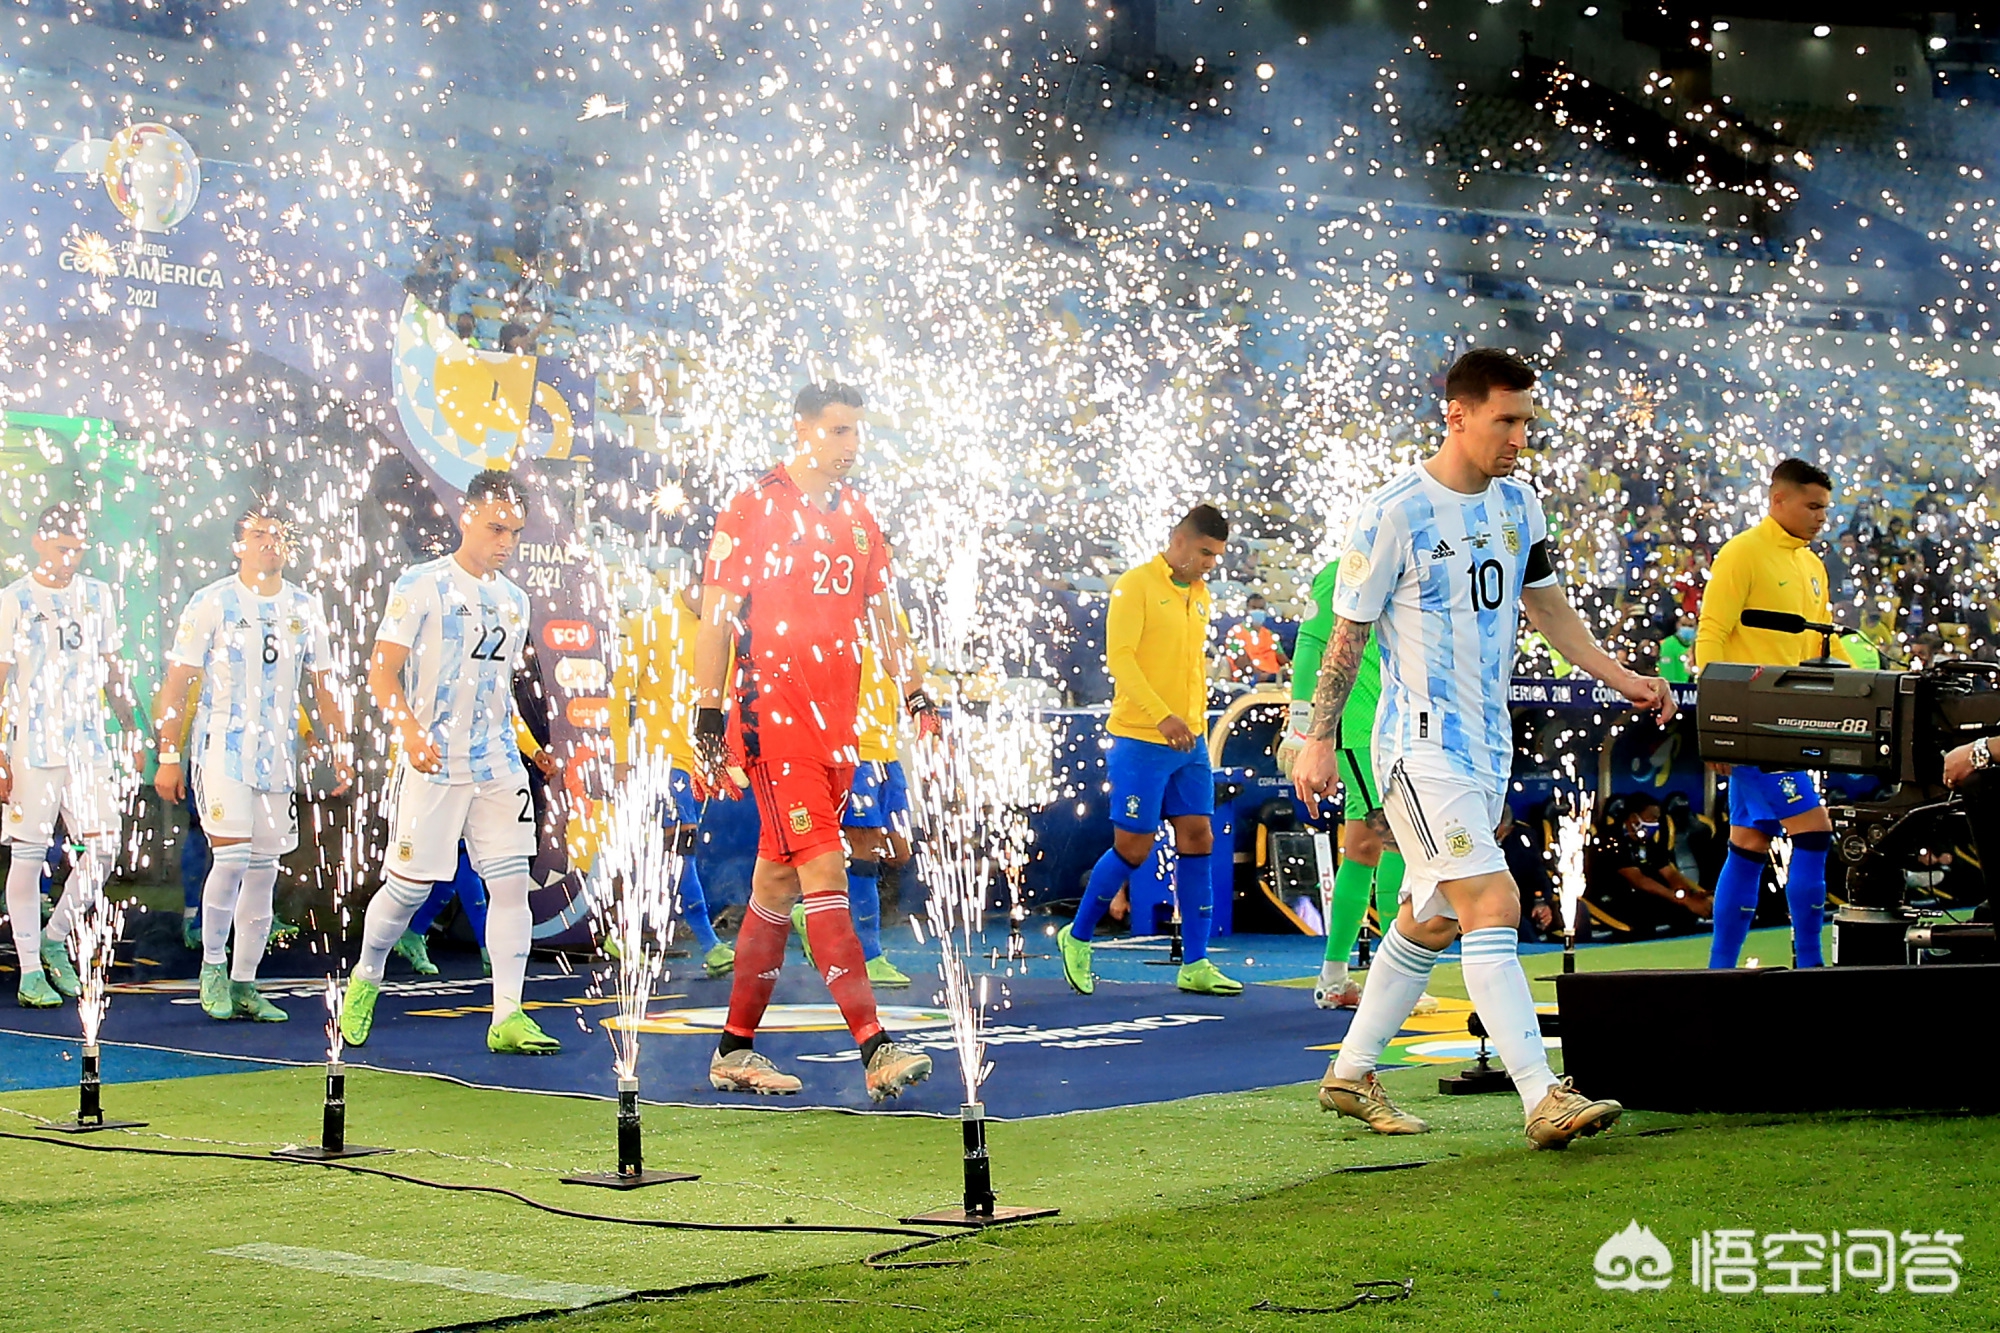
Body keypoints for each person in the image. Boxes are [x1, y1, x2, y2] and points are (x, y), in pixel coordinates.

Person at [1291, 347, 1676, 1150]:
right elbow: (1346, 638)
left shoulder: (1520, 506)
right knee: (1492, 904)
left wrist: (1621, 675)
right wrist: (1317, 739)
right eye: (1506, 420)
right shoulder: (1393, 513)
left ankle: (1352, 1070)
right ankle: (1543, 1096)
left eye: (1527, 422)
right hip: (1417, 747)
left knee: (1430, 919)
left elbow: (1547, 606)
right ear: (1456, 414)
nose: (1520, 439)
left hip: (1485, 747)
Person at [693, 380, 938, 1101]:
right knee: (824, 869)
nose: (850, 446)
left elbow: (886, 613)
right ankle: (876, 1046)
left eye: (856, 432)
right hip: (774, 725)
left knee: (774, 884)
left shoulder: (860, 517)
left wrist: (914, 686)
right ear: (800, 430)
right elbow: (717, 615)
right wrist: (709, 713)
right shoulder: (754, 506)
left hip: (837, 732)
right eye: (837, 431)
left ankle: (735, 1049)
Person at [338, 469, 564, 1055]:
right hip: (434, 761)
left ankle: (508, 1016)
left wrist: (535, 752)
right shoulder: (422, 585)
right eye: (496, 528)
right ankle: (365, 976)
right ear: (467, 517)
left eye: (514, 531)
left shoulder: (514, 600)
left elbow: (500, 693)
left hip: (497, 765)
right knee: (410, 887)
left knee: (512, 887)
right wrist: (409, 731)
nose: (506, 542)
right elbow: (381, 673)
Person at [151, 511, 352, 1023]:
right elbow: (176, 686)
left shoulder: (304, 607)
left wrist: (340, 744)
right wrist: (168, 755)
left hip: (277, 756)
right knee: (233, 859)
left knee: (264, 870)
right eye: (258, 536)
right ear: (237, 546)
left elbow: (324, 684)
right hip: (222, 749)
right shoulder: (212, 602)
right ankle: (212, 967)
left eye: (278, 535)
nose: (270, 544)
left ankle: (246, 980)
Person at [1058, 504, 1242, 998]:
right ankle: (1076, 937)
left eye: (1217, 556)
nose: (1209, 564)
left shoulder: (1200, 595)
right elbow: (1120, 658)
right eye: (1205, 552)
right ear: (1179, 539)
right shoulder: (1135, 585)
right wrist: (1161, 713)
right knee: (1134, 848)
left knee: (1199, 836)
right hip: (1142, 738)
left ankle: (1196, 962)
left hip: (1191, 742)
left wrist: (1192, 720)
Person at [1695, 458, 1847, 971]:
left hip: (1792, 722)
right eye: (1812, 506)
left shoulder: (1811, 565)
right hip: (1752, 722)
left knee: (1749, 842)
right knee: (1814, 831)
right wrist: (1715, 727)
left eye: (1825, 507)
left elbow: (1820, 647)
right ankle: (1810, 963)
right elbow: (1711, 635)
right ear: (1778, 500)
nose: (1822, 516)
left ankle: (1720, 970)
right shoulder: (1741, 554)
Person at [0, 502, 141, 1009]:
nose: (70, 559)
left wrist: (134, 728)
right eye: (61, 548)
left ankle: (56, 937)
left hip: (87, 747)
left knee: (103, 848)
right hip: (31, 749)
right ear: (39, 542)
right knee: (28, 854)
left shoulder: (97, 596)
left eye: (77, 550)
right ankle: (30, 968)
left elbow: (113, 669)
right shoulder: (13, 600)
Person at [1277, 555, 1409, 1011]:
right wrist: (1301, 728)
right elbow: (1311, 646)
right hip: (1359, 729)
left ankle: (1335, 977)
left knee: (1365, 848)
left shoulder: (1405, 569)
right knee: (1392, 844)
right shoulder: (1342, 572)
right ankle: (1395, 982)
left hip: (1391, 729)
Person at [610, 567, 734, 978]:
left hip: (695, 764)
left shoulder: (722, 635)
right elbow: (620, 691)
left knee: (663, 853)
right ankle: (709, 943)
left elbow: (720, 704)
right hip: (657, 758)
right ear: (691, 583)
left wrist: (720, 759)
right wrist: (623, 755)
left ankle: (620, 927)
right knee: (682, 844)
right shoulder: (653, 623)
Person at [793, 628, 918, 987]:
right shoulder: (835, 608)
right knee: (865, 847)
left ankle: (814, 910)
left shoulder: (891, 612)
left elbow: (905, 666)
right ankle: (869, 954)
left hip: (888, 753)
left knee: (898, 852)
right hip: (852, 749)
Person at [1583, 797, 1714, 938]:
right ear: (1634, 818)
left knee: (1686, 915)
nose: (1656, 824)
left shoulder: (1647, 842)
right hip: (1611, 899)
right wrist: (1685, 900)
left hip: (1640, 898)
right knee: (1643, 925)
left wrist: (1689, 894)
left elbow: (1668, 872)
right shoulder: (1609, 840)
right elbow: (1639, 881)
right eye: (1652, 819)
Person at [1223, 593, 1290, 685]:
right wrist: (1262, 675)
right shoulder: (1236, 633)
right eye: (1254, 608)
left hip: (1275, 678)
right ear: (1246, 610)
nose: (1258, 611)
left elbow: (1283, 660)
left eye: (1261, 608)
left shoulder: (1269, 634)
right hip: (1251, 679)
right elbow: (1243, 665)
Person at [1657, 611, 1697, 683]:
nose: (1687, 628)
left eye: (1690, 626)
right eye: (1684, 625)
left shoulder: (1697, 646)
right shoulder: (1667, 645)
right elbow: (1666, 674)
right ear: (1677, 625)